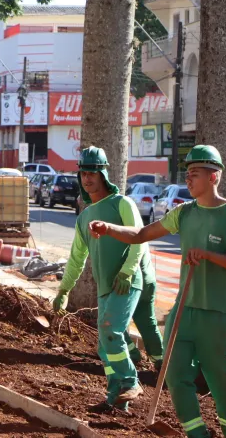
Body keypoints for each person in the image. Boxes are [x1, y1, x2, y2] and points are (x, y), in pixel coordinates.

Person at [90, 145, 226, 437]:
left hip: (217, 312)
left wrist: (208, 255)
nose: (188, 179)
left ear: (213, 177)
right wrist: (109, 228)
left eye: (195, 173)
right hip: (184, 310)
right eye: (187, 173)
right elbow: (141, 234)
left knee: (223, 382)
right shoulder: (183, 213)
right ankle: (197, 434)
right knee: (175, 376)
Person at [52, 146, 147, 412]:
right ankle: (115, 400)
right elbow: (76, 259)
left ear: (104, 174)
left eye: (93, 172)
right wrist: (63, 290)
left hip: (126, 282)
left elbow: (139, 238)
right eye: (83, 173)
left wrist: (127, 271)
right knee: (105, 346)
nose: (87, 178)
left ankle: (131, 381)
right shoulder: (84, 217)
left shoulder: (122, 203)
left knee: (109, 330)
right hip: (105, 287)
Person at [127, 251, 164, 371]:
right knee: (148, 322)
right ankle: (161, 360)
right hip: (147, 280)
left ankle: (131, 353)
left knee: (113, 320)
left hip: (130, 282)